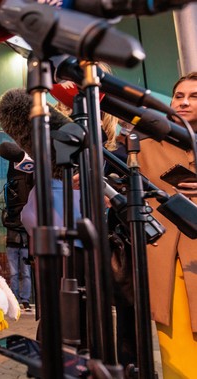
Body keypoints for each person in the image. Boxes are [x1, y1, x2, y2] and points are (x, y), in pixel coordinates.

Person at [135, 73, 197, 378]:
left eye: (194, 96)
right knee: (176, 354)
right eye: (179, 95)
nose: (184, 102)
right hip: (168, 259)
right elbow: (124, 189)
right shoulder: (147, 145)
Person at [3, 159, 34, 311]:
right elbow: (7, 221)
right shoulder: (12, 194)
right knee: (14, 273)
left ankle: (25, 300)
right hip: (13, 242)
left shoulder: (31, 196)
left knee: (26, 273)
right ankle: (14, 299)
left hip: (26, 242)